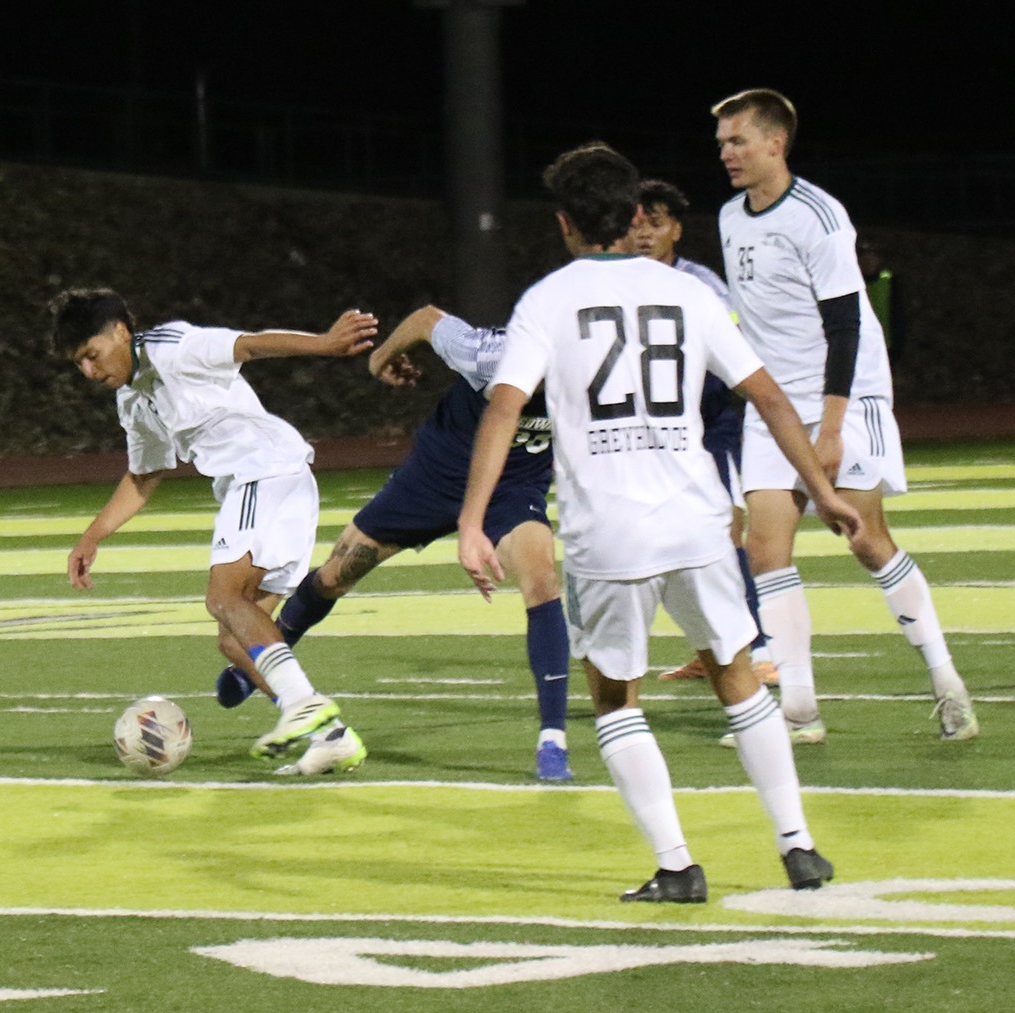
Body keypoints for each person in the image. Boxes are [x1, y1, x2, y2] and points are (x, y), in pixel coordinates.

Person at [459, 142, 861, 902]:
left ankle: (677, 864)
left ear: (565, 224)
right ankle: (799, 846)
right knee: (738, 679)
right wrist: (826, 493)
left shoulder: (546, 300)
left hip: (608, 530)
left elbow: (504, 408)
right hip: (698, 518)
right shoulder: (691, 293)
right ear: (637, 217)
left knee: (616, 698)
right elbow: (770, 398)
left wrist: (473, 520)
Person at [216, 303, 577, 781]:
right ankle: (262, 660)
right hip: (431, 480)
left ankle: (553, 739)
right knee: (333, 577)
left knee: (542, 582)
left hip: (509, 492)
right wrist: (380, 356)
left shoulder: (602, 373)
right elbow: (427, 318)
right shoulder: (490, 354)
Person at [713, 88, 976, 742]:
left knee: (865, 539)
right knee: (766, 551)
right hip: (771, 405)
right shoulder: (728, 217)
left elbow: (846, 324)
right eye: (721, 142)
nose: (726, 152)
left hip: (844, 396)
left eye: (737, 140)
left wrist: (831, 427)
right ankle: (800, 712)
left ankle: (949, 686)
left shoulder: (820, 215)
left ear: (776, 143)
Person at [50, 288, 377, 776]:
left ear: (120, 332)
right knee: (234, 639)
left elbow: (249, 345)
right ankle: (331, 737)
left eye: (92, 355)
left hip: (261, 474)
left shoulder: (172, 346)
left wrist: (326, 345)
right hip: (273, 483)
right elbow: (144, 474)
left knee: (223, 599)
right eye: (80, 364)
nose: (90, 372)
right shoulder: (133, 400)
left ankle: (303, 705)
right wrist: (92, 536)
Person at [629, 179, 775, 688]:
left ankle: (760, 646)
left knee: (725, 526)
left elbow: (731, 348)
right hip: (645, 430)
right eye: (637, 223)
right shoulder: (617, 283)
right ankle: (710, 648)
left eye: (657, 223)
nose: (645, 234)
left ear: (677, 230)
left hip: (707, 423)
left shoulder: (700, 284)